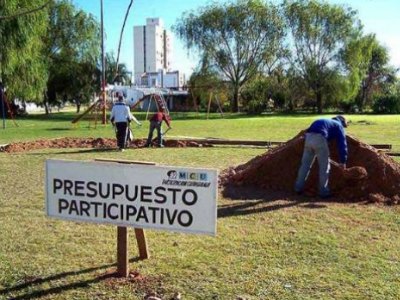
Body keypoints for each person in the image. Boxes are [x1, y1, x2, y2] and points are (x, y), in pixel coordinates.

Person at [294, 115, 348, 198]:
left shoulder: (325, 121)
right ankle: (323, 192)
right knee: (324, 167)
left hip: (308, 139)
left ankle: (298, 188)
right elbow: (342, 144)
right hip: (320, 138)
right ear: (342, 122)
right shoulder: (338, 125)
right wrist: (343, 161)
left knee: (305, 165)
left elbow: (308, 132)